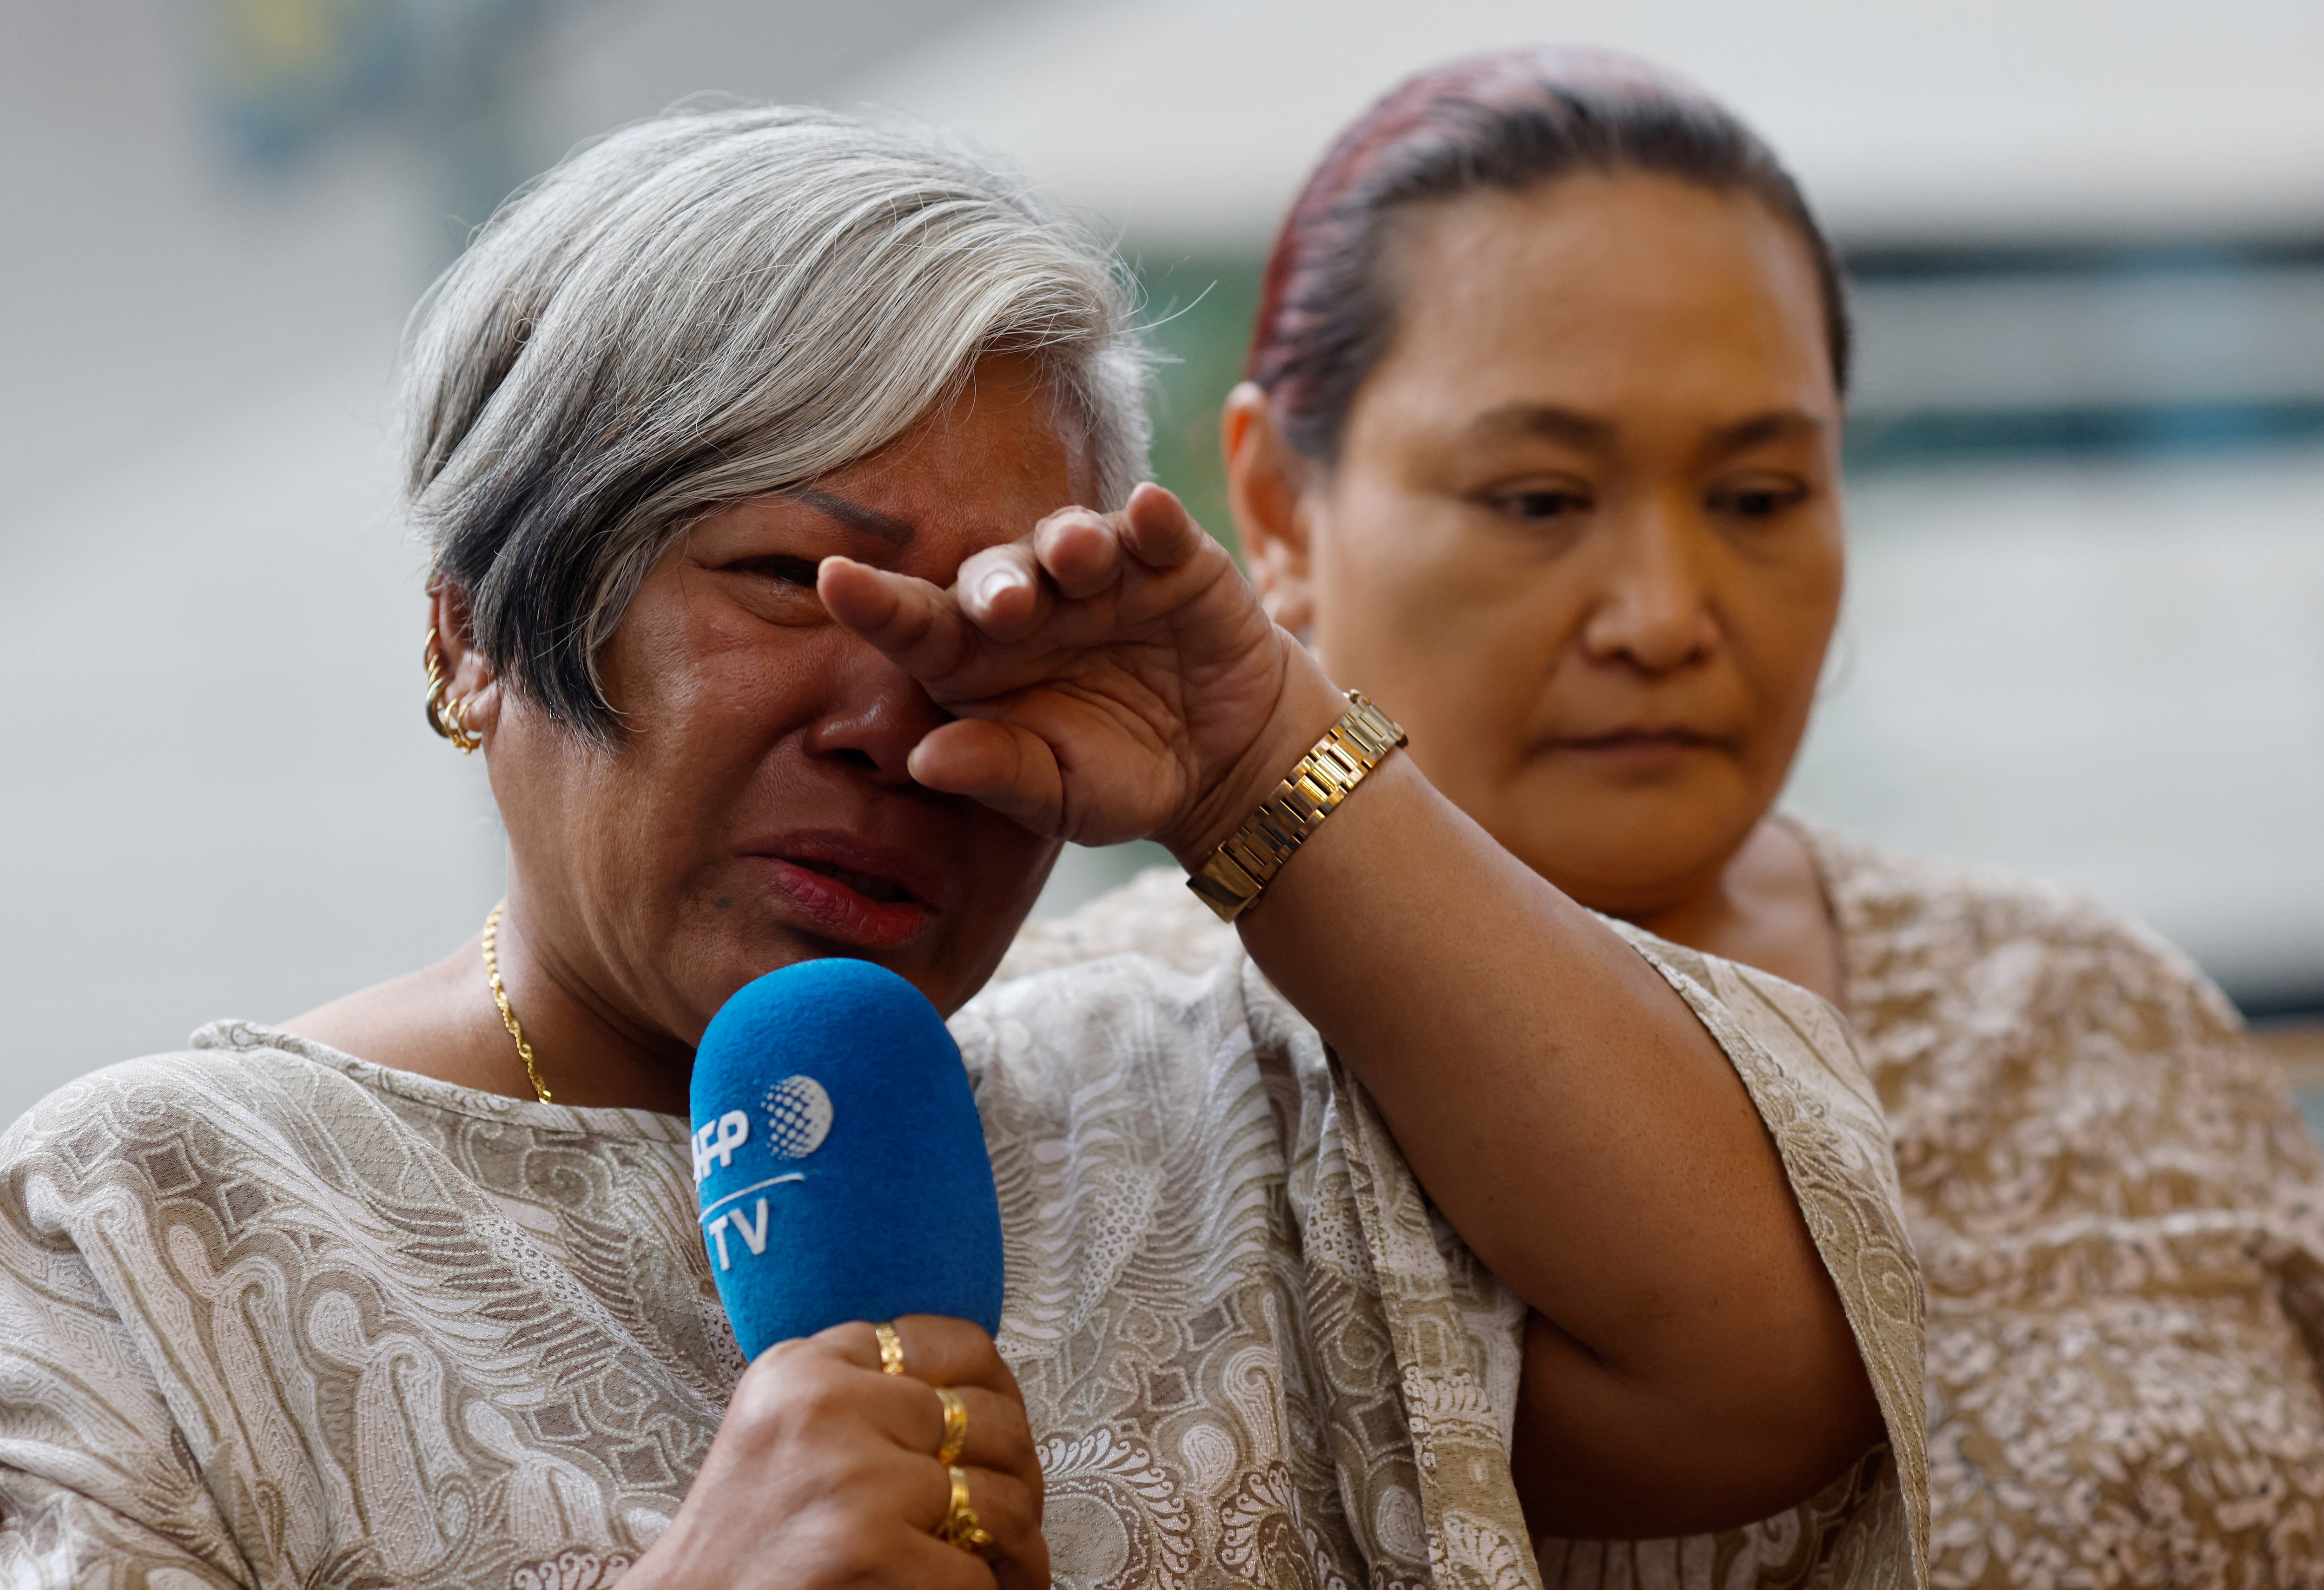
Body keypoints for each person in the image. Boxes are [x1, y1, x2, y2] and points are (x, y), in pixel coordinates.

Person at [0, 106, 1925, 1589]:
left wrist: (1254, 751)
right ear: (472, 635)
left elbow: (1769, 1373)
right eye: (786, 578)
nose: (897, 719)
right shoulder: (147, 1227)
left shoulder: (1205, 1102)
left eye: (998, 622)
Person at [1003, 46, 2324, 1590]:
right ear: (1282, 507)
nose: (1663, 616)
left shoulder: (2088, 1016)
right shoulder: (1072, 1088)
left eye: (1759, 498)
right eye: (1540, 501)